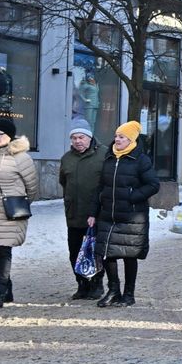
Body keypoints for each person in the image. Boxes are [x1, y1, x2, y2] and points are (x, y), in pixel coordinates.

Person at [88, 120, 160, 308]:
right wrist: (93, 212)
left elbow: (153, 185)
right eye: (116, 136)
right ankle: (113, 291)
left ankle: (129, 294)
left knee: (129, 255)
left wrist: (131, 196)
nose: (117, 139)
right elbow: (100, 187)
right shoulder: (109, 157)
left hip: (131, 216)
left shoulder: (141, 160)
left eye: (121, 137)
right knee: (107, 254)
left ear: (131, 139)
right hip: (108, 214)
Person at [0, 118, 39, 309]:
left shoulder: (21, 157)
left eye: (0, 134)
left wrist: (20, 201)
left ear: (10, 136)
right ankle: (7, 290)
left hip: (11, 211)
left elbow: (33, 187)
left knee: (4, 250)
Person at [59, 121, 105, 299]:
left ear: (90, 137)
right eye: (74, 138)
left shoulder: (103, 154)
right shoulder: (67, 158)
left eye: (81, 137)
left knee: (95, 250)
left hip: (97, 213)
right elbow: (64, 182)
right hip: (74, 212)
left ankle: (97, 283)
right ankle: (81, 284)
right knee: (75, 250)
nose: (78, 141)